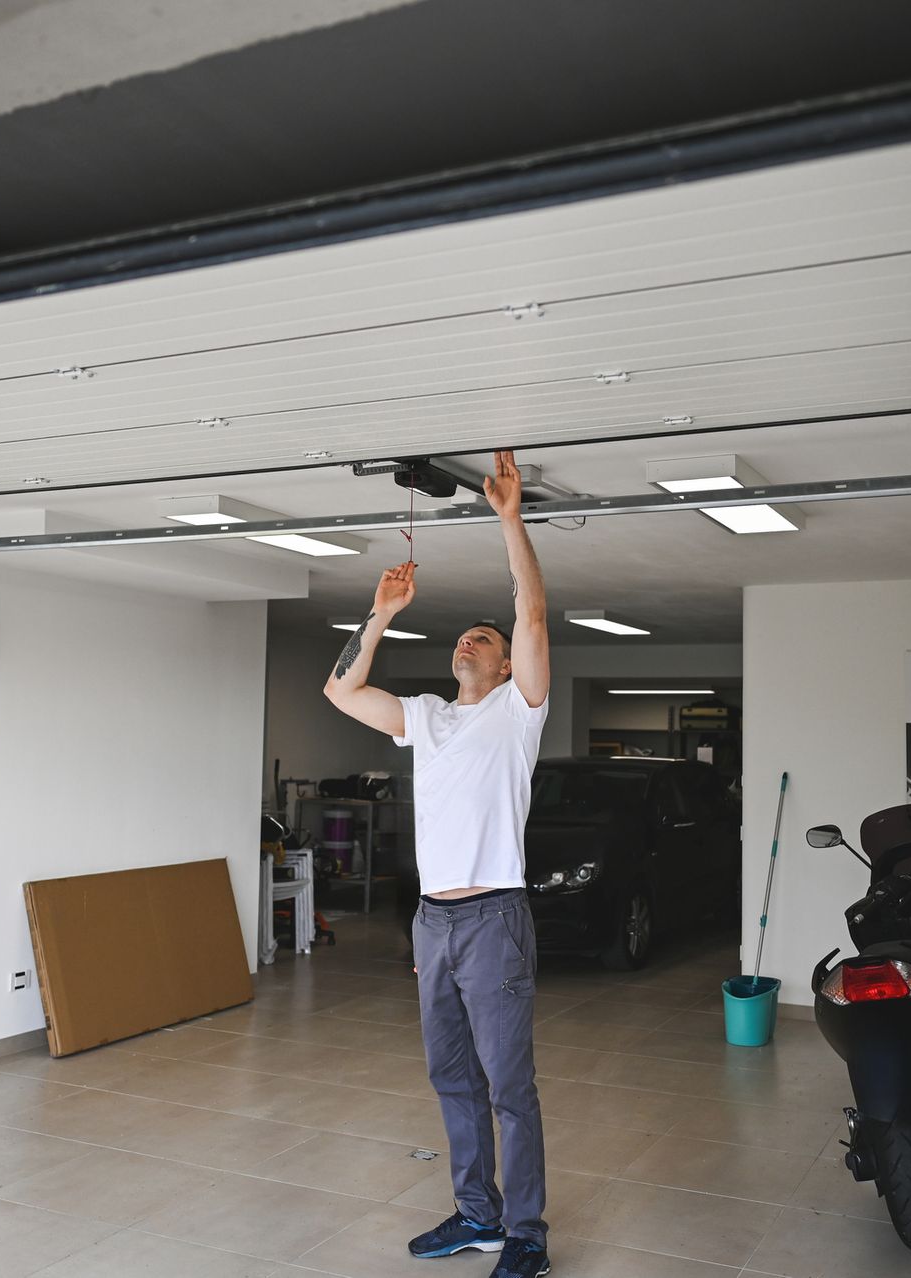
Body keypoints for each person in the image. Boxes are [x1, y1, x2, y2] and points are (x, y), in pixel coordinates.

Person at [323, 450, 553, 1278]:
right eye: (466, 633)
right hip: (435, 919)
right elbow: (342, 693)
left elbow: (532, 619)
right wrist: (381, 612)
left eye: (483, 638)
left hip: (493, 915)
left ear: (500, 667)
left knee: (506, 1083)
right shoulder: (425, 716)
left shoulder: (516, 716)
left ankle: (526, 1235)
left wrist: (508, 521)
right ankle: (476, 1216)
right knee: (450, 1074)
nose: (473, 639)